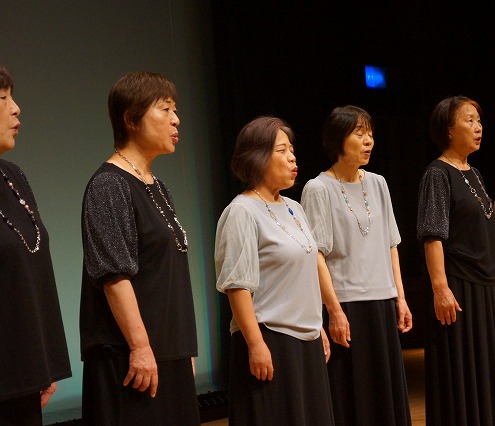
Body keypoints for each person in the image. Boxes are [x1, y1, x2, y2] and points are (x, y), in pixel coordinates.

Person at [80, 71, 199, 425]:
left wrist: (183, 350)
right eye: (165, 109)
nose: (176, 119)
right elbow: (113, 276)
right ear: (131, 119)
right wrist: (141, 347)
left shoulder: (157, 186)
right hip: (131, 361)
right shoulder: (109, 185)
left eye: (175, 110)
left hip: (167, 354)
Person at [215, 116, 334, 425]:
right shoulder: (241, 211)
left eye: (291, 149)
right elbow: (237, 286)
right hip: (271, 340)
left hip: (306, 341)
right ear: (257, 157)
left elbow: (302, 275)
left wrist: (316, 326)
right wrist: (256, 344)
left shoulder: (295, 208)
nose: (292, 157)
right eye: (282, 150)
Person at [301, 105, 412, 425]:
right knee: (352, 396)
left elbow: (391, 244)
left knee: (385, 395)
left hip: (382, 302)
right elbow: (315, 256)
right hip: (346, 305)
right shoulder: (318, 188)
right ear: (338, 139)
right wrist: (334, 311)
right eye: (359, 133)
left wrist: (400, 298)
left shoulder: (378, 183)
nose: (368, 141)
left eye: (370, 134)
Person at [416, 96, 495, 426]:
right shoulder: (437, 173)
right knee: (461, 373)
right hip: (457, 287)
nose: (478, 127)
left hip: (482, 287)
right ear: (448, 130)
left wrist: (494, 279)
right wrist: (440, 289)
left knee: (486, 372)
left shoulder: (474, 173)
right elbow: (432, 235)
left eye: (479, 121)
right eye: (469, 120)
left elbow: (481, 231)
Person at [0, 65, 71, 425]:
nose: (16, 108)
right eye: (3, 98)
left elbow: (33, 270)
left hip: (23, 375)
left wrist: (42, 361)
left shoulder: (13, 176)